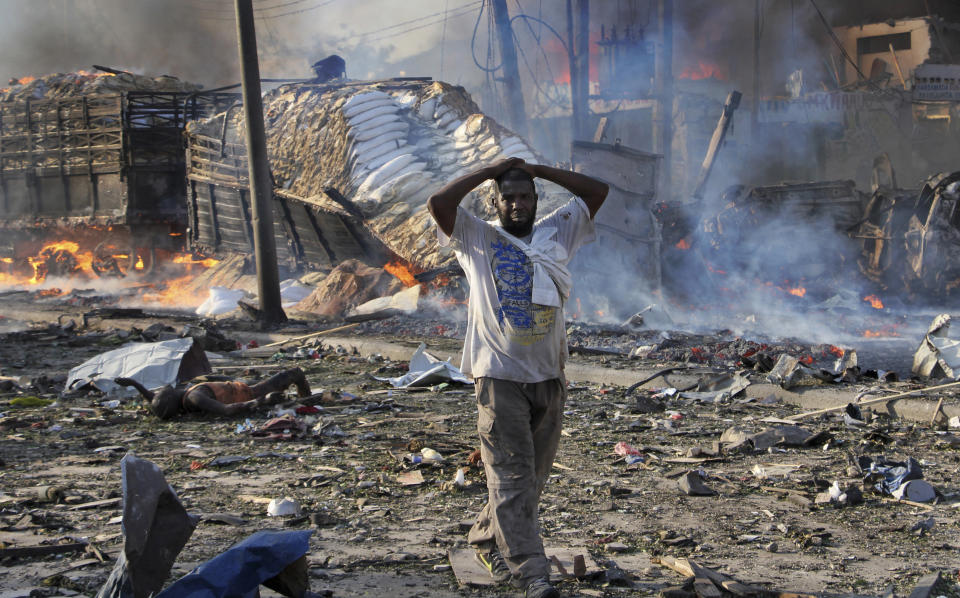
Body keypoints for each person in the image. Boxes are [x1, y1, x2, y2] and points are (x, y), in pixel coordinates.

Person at [427, 157, 608, 598]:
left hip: (549, 376)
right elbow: (439, 202)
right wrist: (491, 170)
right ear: (495, 201)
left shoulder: (555, 231)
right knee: (511, 476)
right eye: (508, 197)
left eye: (525, 196)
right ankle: (532, 571)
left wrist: (538, 169)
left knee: (531, 480)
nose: (517, 204)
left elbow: (596, 191)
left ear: (536, 198)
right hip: (498, 377)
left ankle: (487, 538)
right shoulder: (476, 237)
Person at [115, 367, 311, 420]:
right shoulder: (195, 396)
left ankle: (305, 400)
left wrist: (134, 384)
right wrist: (261, 400)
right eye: (164, 392)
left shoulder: (184, 397)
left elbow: (153, 399)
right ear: (171, 397)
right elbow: (226, 410)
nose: (163, 389)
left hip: (238, 387)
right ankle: (308, 401)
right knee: (294, 374)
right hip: (250, 393)